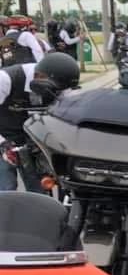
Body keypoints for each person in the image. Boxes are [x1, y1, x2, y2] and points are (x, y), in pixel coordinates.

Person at [0, 52, 80, 192]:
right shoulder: (6, 79)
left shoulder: (62, 86)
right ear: (39, 76)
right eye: (54, 89)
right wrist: (3, 143)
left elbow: (67, 115)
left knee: (40, 191)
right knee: (6, 188)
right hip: (3, 135)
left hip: (32, 139)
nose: (58, 92)